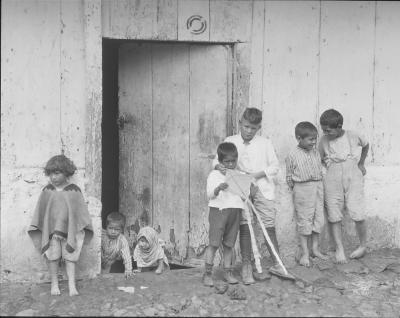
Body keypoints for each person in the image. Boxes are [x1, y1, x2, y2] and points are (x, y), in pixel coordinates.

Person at [213, 107, 286, 284]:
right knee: (245, 224)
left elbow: (274, 167)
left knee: (268, 223)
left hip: (261, 187)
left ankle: (277, 263)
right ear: (240, 123)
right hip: (240, 187)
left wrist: (255, 176)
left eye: (253, 128)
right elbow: (216, 160)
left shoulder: (265, 143)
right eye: (246, 126)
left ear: (258, 127)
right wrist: (218, 167)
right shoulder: (230, 141)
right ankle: (247, 265)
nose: (248, 131)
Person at [28, 154, 93, 296]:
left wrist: (76, 228)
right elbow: (42, 213)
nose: (53, 177)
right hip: (51, 234)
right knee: (53, 257)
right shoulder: (47, 191)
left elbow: (79, 213)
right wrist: (50, 228)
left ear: (66, 172)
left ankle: (71, 284)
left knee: (70, 258)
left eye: (57, 173)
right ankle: (54, 283)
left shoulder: (74, 191)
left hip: (71, 233)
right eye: (50, 174)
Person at [318, 109, 369, 264]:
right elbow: (320, 159)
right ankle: (339, 248)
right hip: (332, 176)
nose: (326, 133)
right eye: (323, 130)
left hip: (353, 174)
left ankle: (363, 245)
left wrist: (361, 163)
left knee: (357, 211)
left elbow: (366, 145)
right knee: (334, 212)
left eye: (329, 130)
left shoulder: (353, 135)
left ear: (339, 126)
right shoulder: (323, 141)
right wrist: (329, 170)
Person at [286, 122, 328, 267]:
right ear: (299, 138)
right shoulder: (292, 154)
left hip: (318, 187)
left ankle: (314, 249)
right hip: (302, 189)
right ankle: (304, 253)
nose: (314, 142)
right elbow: (289, 176)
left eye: (315, 138)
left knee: (318, 219)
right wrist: (298, 189)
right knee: (305, 221)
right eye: (310, 139)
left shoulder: (315, 151)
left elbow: (322, 163)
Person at [203, 142, 244, 287]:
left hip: (234, 211)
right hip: (218, 211)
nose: (231, 164)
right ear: (220, 162)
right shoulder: (214, 175)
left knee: (229, 244)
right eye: (227, 162)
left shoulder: (238, 174)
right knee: (214, 244)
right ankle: (208, 274)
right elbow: (209, 195)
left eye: (233, 161)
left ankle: (228, 272)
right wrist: (219, 188)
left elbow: (243, 194)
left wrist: (249, 191)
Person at [101, 212, 134, 278]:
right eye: (110, 228)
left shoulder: (122, 240)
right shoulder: (101, 235)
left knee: (104, 277)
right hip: (98, 261)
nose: (113, 232)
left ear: (121, 230)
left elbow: (126, 255)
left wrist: (128, 270)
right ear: (106, 227)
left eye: (117, 229)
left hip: (109, 263)